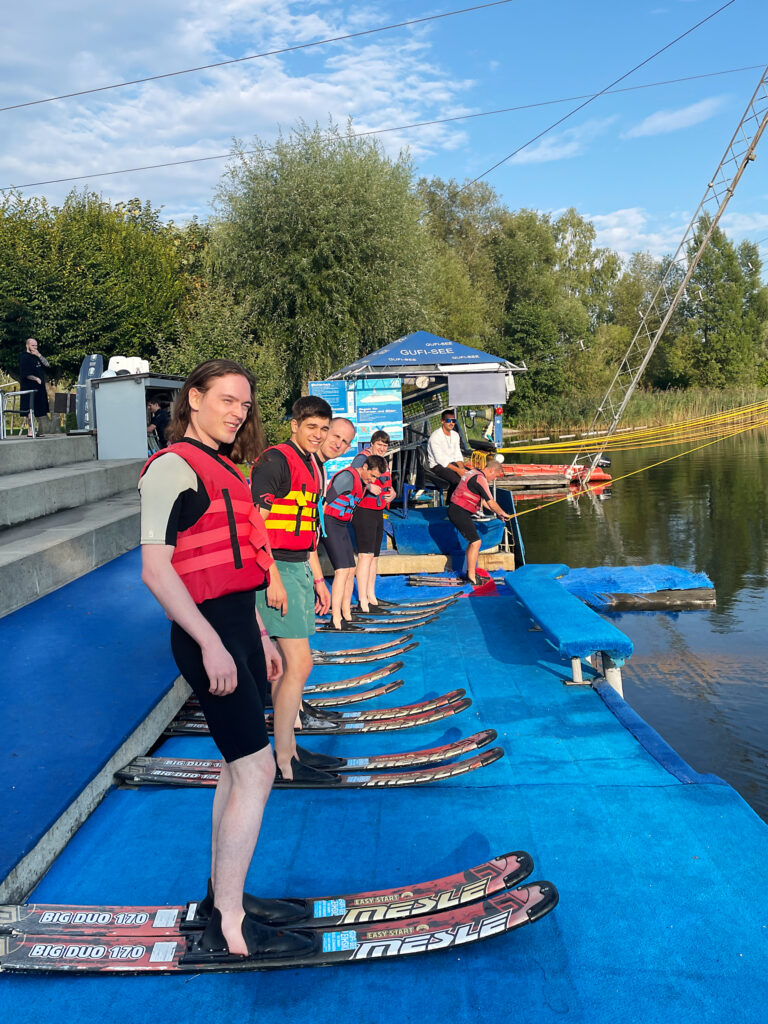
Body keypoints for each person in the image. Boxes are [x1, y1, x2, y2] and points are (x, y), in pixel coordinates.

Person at [138, 358, 311, 962]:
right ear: (195, 399)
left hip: (237, 627)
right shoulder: (172, 468)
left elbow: (239, 571)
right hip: (205, 636)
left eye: (245, 404)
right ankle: (229, 924)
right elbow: (156, 570)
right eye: (227, 400)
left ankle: (223, 895)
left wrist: (259, 634)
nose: (238, 412)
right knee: (257, 770)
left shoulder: (226, 467)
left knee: (237, 767)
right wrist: (211, 642)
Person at [249, 396, 333, 783]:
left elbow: (308, 531)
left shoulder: (314, 466)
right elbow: (257, 529)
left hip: (298, 565)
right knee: (298, 664)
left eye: (323, 428)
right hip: (277, 568)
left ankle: (289, 751)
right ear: (294, 426)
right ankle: (283, 763)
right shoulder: (275, 461)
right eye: (310, 427)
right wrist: (273, 579)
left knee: (291, 668)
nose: (317, 435)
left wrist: (318, 579)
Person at [323, 454, 388, 629]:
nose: (373, 480)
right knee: (342, 570)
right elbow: (325, 501)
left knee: (351, 569)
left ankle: (347, 614)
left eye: (377, 478)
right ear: (365, 467)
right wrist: (317, 528)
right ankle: (336, 620)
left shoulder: (362, 483)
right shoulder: (347, 477)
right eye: (372, 476)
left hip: (342, 525)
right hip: (330, 523)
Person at [351, 431, 396, 612]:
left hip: (378, 511)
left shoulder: (383, 462)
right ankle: (362, 601)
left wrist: (392, 493)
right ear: (371, 444)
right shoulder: (363, 458)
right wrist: (369, 486)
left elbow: (387, 484)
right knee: (365, 556)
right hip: (364, 511)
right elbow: (352, 475)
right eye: (379, 444)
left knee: (375, 557)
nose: (382, 448)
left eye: (385, 446)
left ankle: (372, 597)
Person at [448, 460, 512, 585]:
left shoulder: (473, 473)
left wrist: (498, 514)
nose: (493, 479)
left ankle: (469, 573)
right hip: (458, 511)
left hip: (458, 511)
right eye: (495, 476)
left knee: (473, 543)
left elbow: (482, 502)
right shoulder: (480, 479)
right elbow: (491, 502)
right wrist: (503, 513)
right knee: (476, 542)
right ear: (492, 470)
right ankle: (471, 577)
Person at [427, 410, 466, 500]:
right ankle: (451, 505)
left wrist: (462, 469)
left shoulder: (455, 435)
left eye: (454, 421)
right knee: (457, 481)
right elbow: (440, 460)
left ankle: (464, 505)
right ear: (442, 421)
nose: (451, 423)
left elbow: (457, 454)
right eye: (449, 421)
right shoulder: (435, 437)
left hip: (452, 463)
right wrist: (458, 470)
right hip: (437, 466)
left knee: (468, 477)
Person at [18, 338, 50, 436]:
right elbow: (25, 374)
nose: (35, 347)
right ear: (27, 345)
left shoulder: (36, 356)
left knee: (37, 409)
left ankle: (34, 431)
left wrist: (39, 355)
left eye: (36, 345)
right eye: (33, 345)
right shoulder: (24, 357)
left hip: (39, 389)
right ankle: (30, 431)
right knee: (29, 409)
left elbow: (47, 364)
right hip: (28, 387)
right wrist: (35, 378)